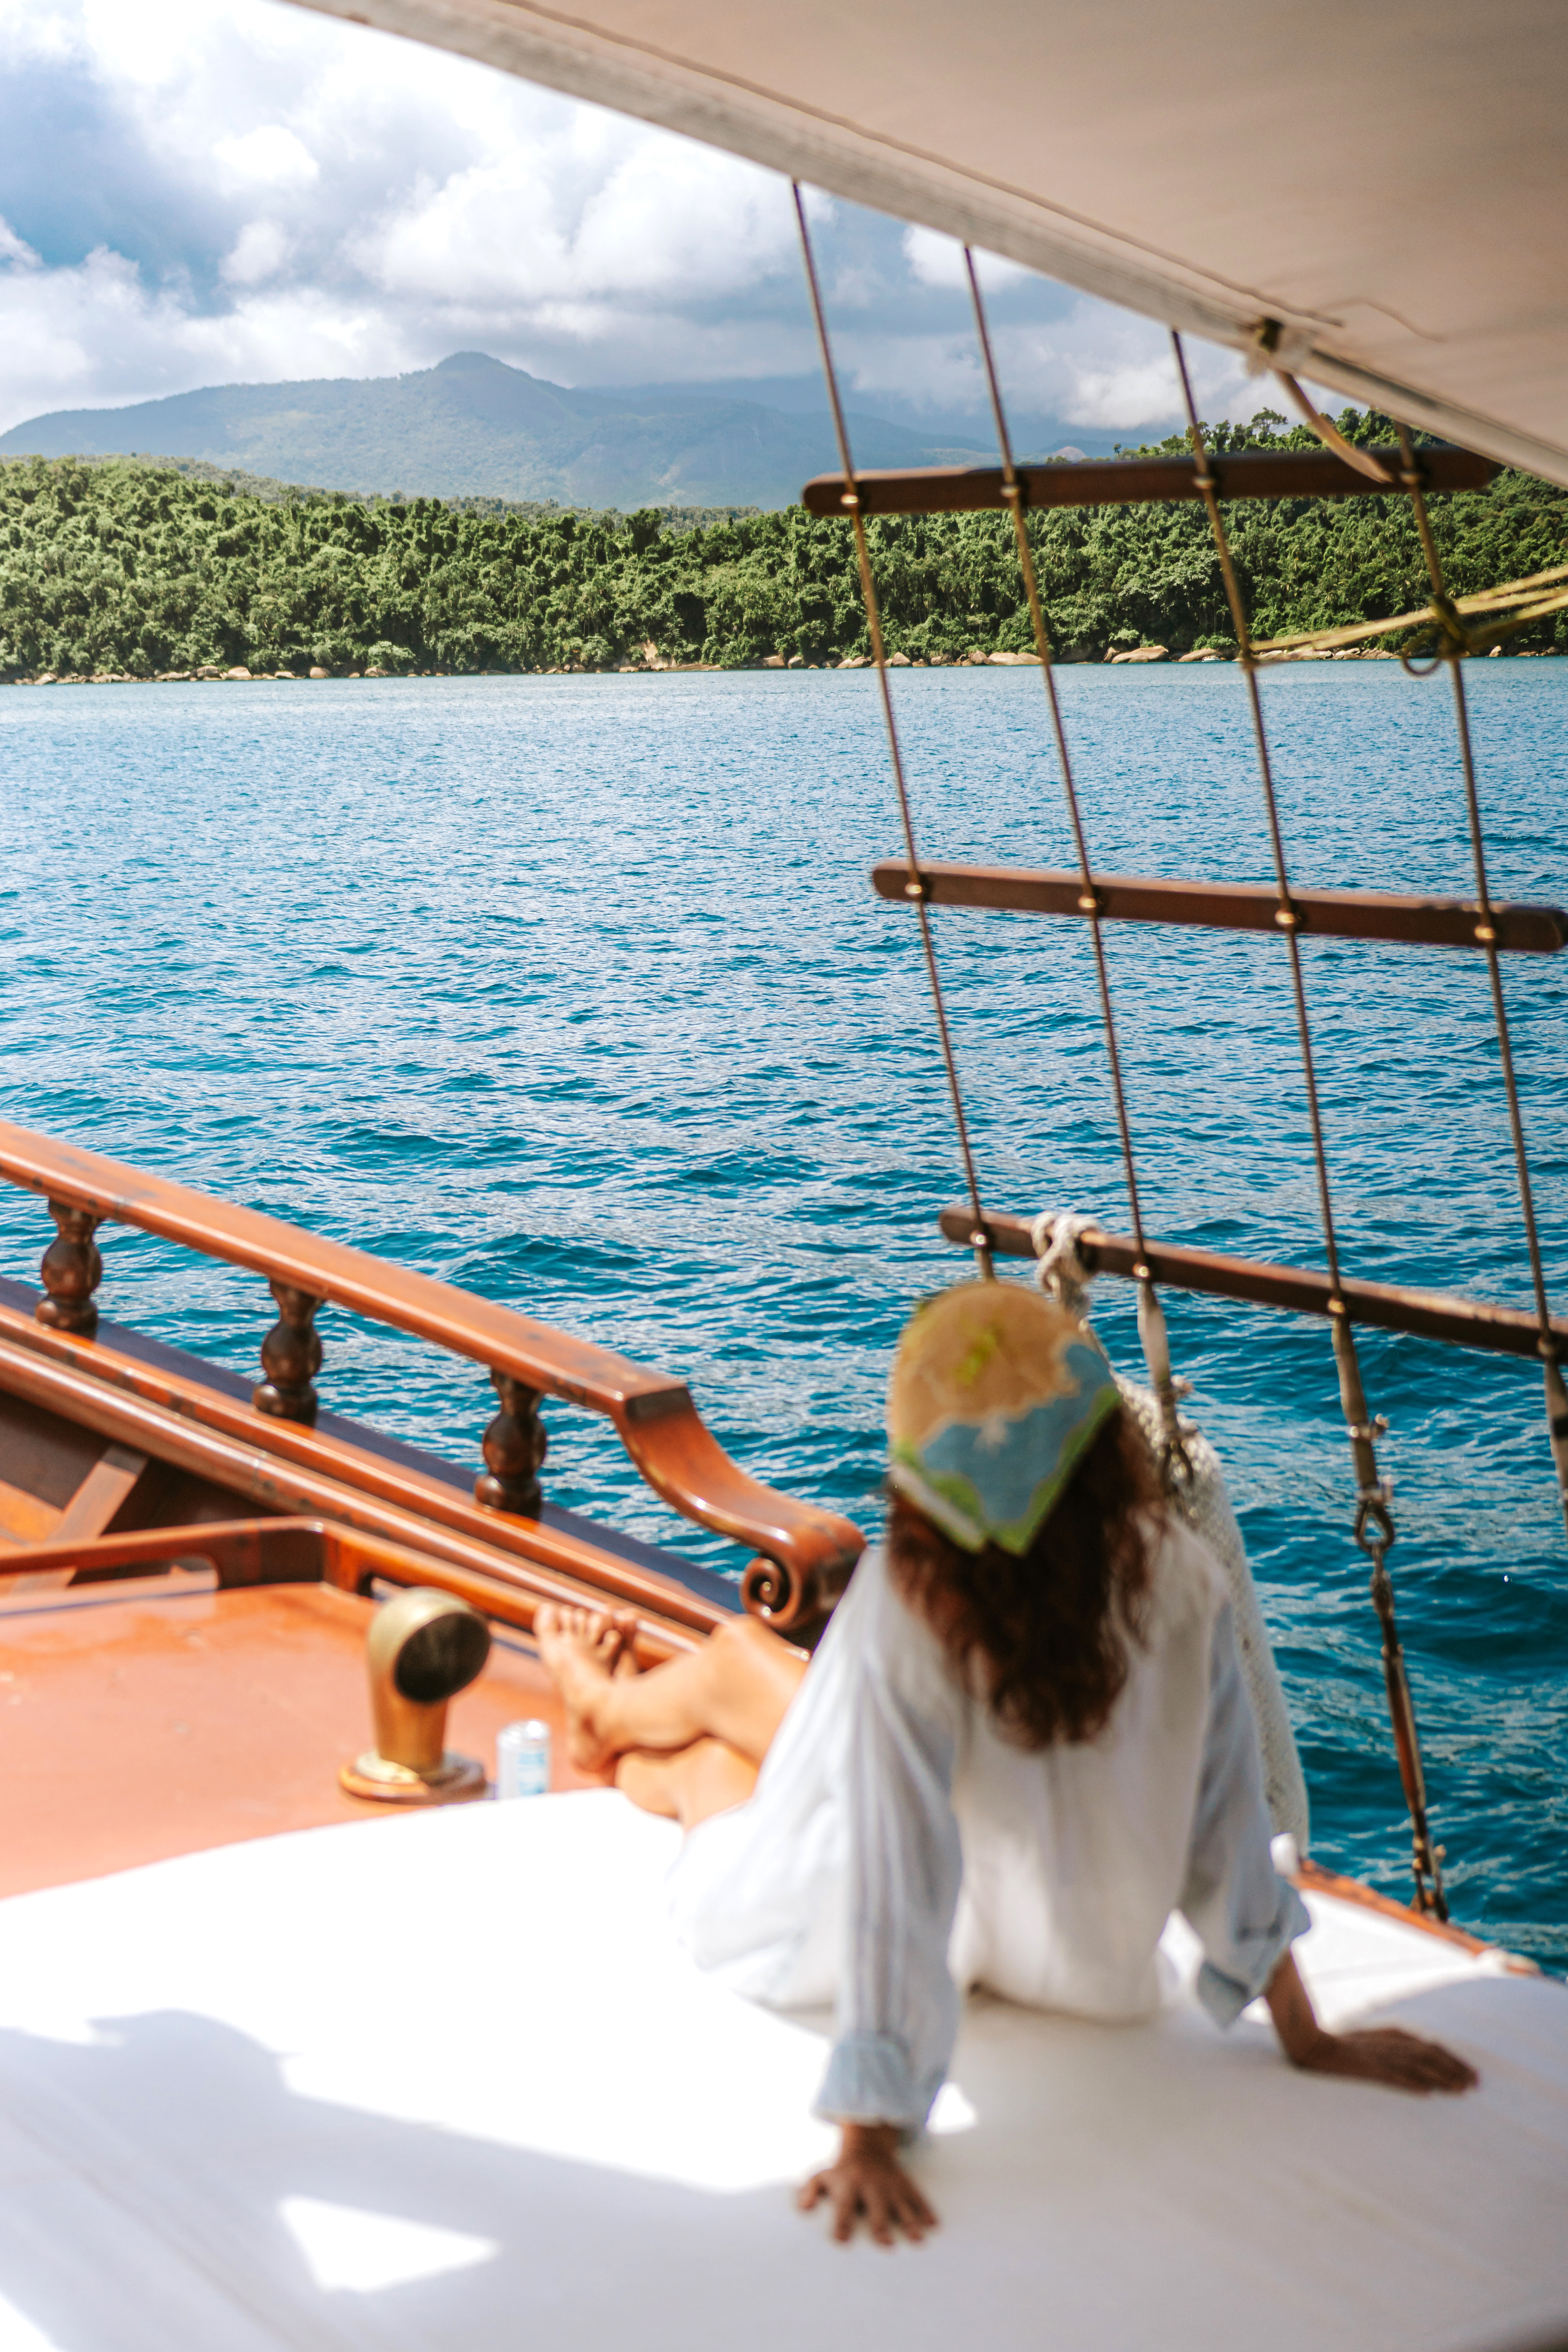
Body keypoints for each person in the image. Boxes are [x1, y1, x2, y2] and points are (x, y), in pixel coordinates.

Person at [535, 1281, 1477, 2247]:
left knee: (722, 1742)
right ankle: (611, 1711)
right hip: (1073, 1959)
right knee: (758, 1691)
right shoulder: (1177, 1575)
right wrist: (1304, 2037)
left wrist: (873, 2129)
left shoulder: (915, 1601)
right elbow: (1229, 1821)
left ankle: (602, 1716)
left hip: (844, 1925)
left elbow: (898, 1873)